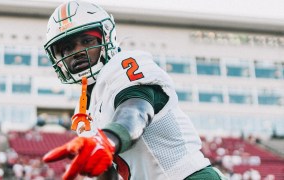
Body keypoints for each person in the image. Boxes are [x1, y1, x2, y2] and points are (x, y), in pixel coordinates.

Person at [42, 0, 226, 179]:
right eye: (67, 48)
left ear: (107, 37)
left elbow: (135, 112)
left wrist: (107, 140)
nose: (78, 51)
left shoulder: (124, 66)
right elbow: (107, 168)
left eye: (87, 40)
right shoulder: (84, 109)